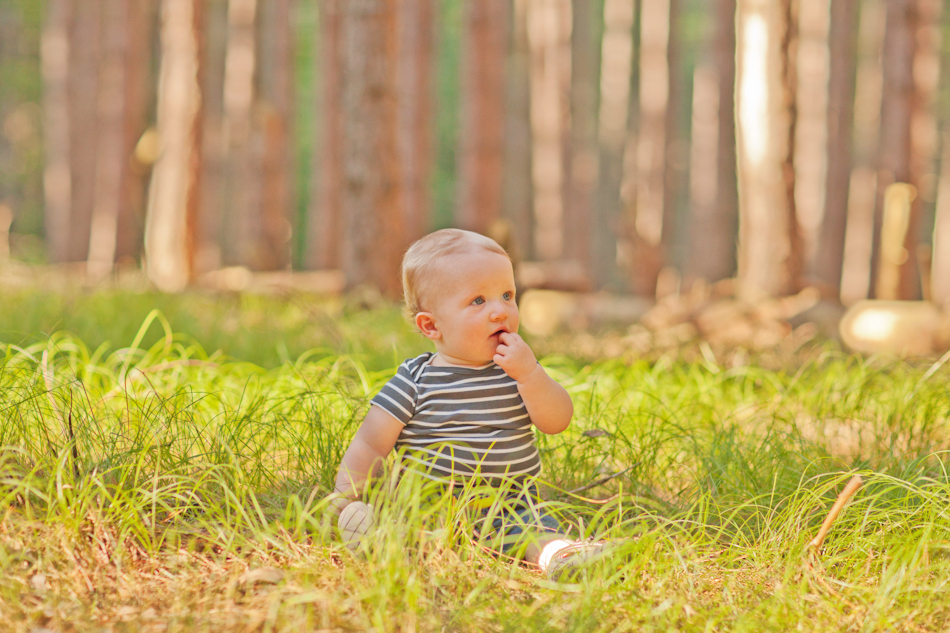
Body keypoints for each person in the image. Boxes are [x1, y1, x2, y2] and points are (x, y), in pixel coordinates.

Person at [327, 228, 607, 577]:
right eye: (478, 301)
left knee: (536, 533)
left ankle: (561, 557)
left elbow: (557, 421)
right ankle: (380, 539)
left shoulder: (517, 372)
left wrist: (531, 374)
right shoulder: (415, 381)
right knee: (406, 526)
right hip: (429, 503)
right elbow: (371, 442)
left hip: (510, 504)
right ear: (431, 326)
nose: (500, 311)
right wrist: (344, 494)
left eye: (507, 295)